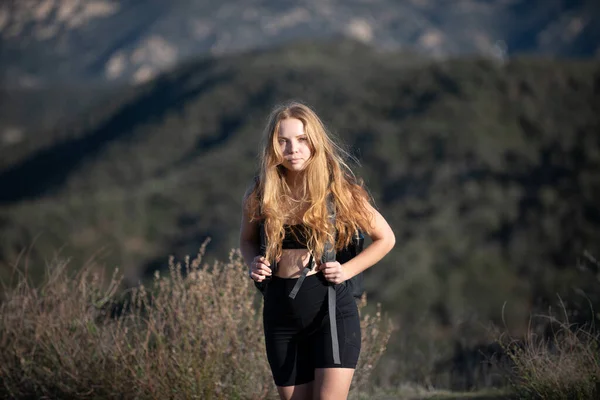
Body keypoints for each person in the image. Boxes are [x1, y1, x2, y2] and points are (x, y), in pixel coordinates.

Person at [239, 101, 395, 400]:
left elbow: (385, 238)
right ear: (273, 146)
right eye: (283, 141)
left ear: (315, 142)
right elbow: (246, 241)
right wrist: (253, 264)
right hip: (279, 317)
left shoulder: (338, 188)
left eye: (301, 139)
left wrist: (346, 270)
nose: (292, 148)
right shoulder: (260, 190)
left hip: (331, 314)